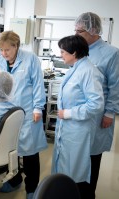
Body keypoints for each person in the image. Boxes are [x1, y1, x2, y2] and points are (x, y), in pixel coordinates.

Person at [0, 31, 47, 199]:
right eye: (1, 50)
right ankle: (14, 180)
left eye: (7, 50)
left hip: (27, 112)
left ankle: (32, 189)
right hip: (5, 112)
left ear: (16, 46)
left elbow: (37, 85)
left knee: (29, 153)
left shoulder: (30, 59)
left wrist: (37, 108)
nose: (4, 53)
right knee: (8, 149)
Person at [51, 35, 104, 199]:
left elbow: (96, 104)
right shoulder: (75, 67)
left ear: (74, 53)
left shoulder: (88, 71)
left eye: (63, 52)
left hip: (77, 130)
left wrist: (68, 113)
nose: (61, 55)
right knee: (65, 169)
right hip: (67, 129)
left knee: (75, 172)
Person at [75, 12, 119, 198]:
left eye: (80, 31)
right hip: (78, 113)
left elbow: (116, 85)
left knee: (92, 157)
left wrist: (110, 113)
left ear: (93, 31)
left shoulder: (111, 53)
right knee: (76, 157)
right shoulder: (79, 49)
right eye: (75, 30)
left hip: (97, 116)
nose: (76, 35)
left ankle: (88, 194)